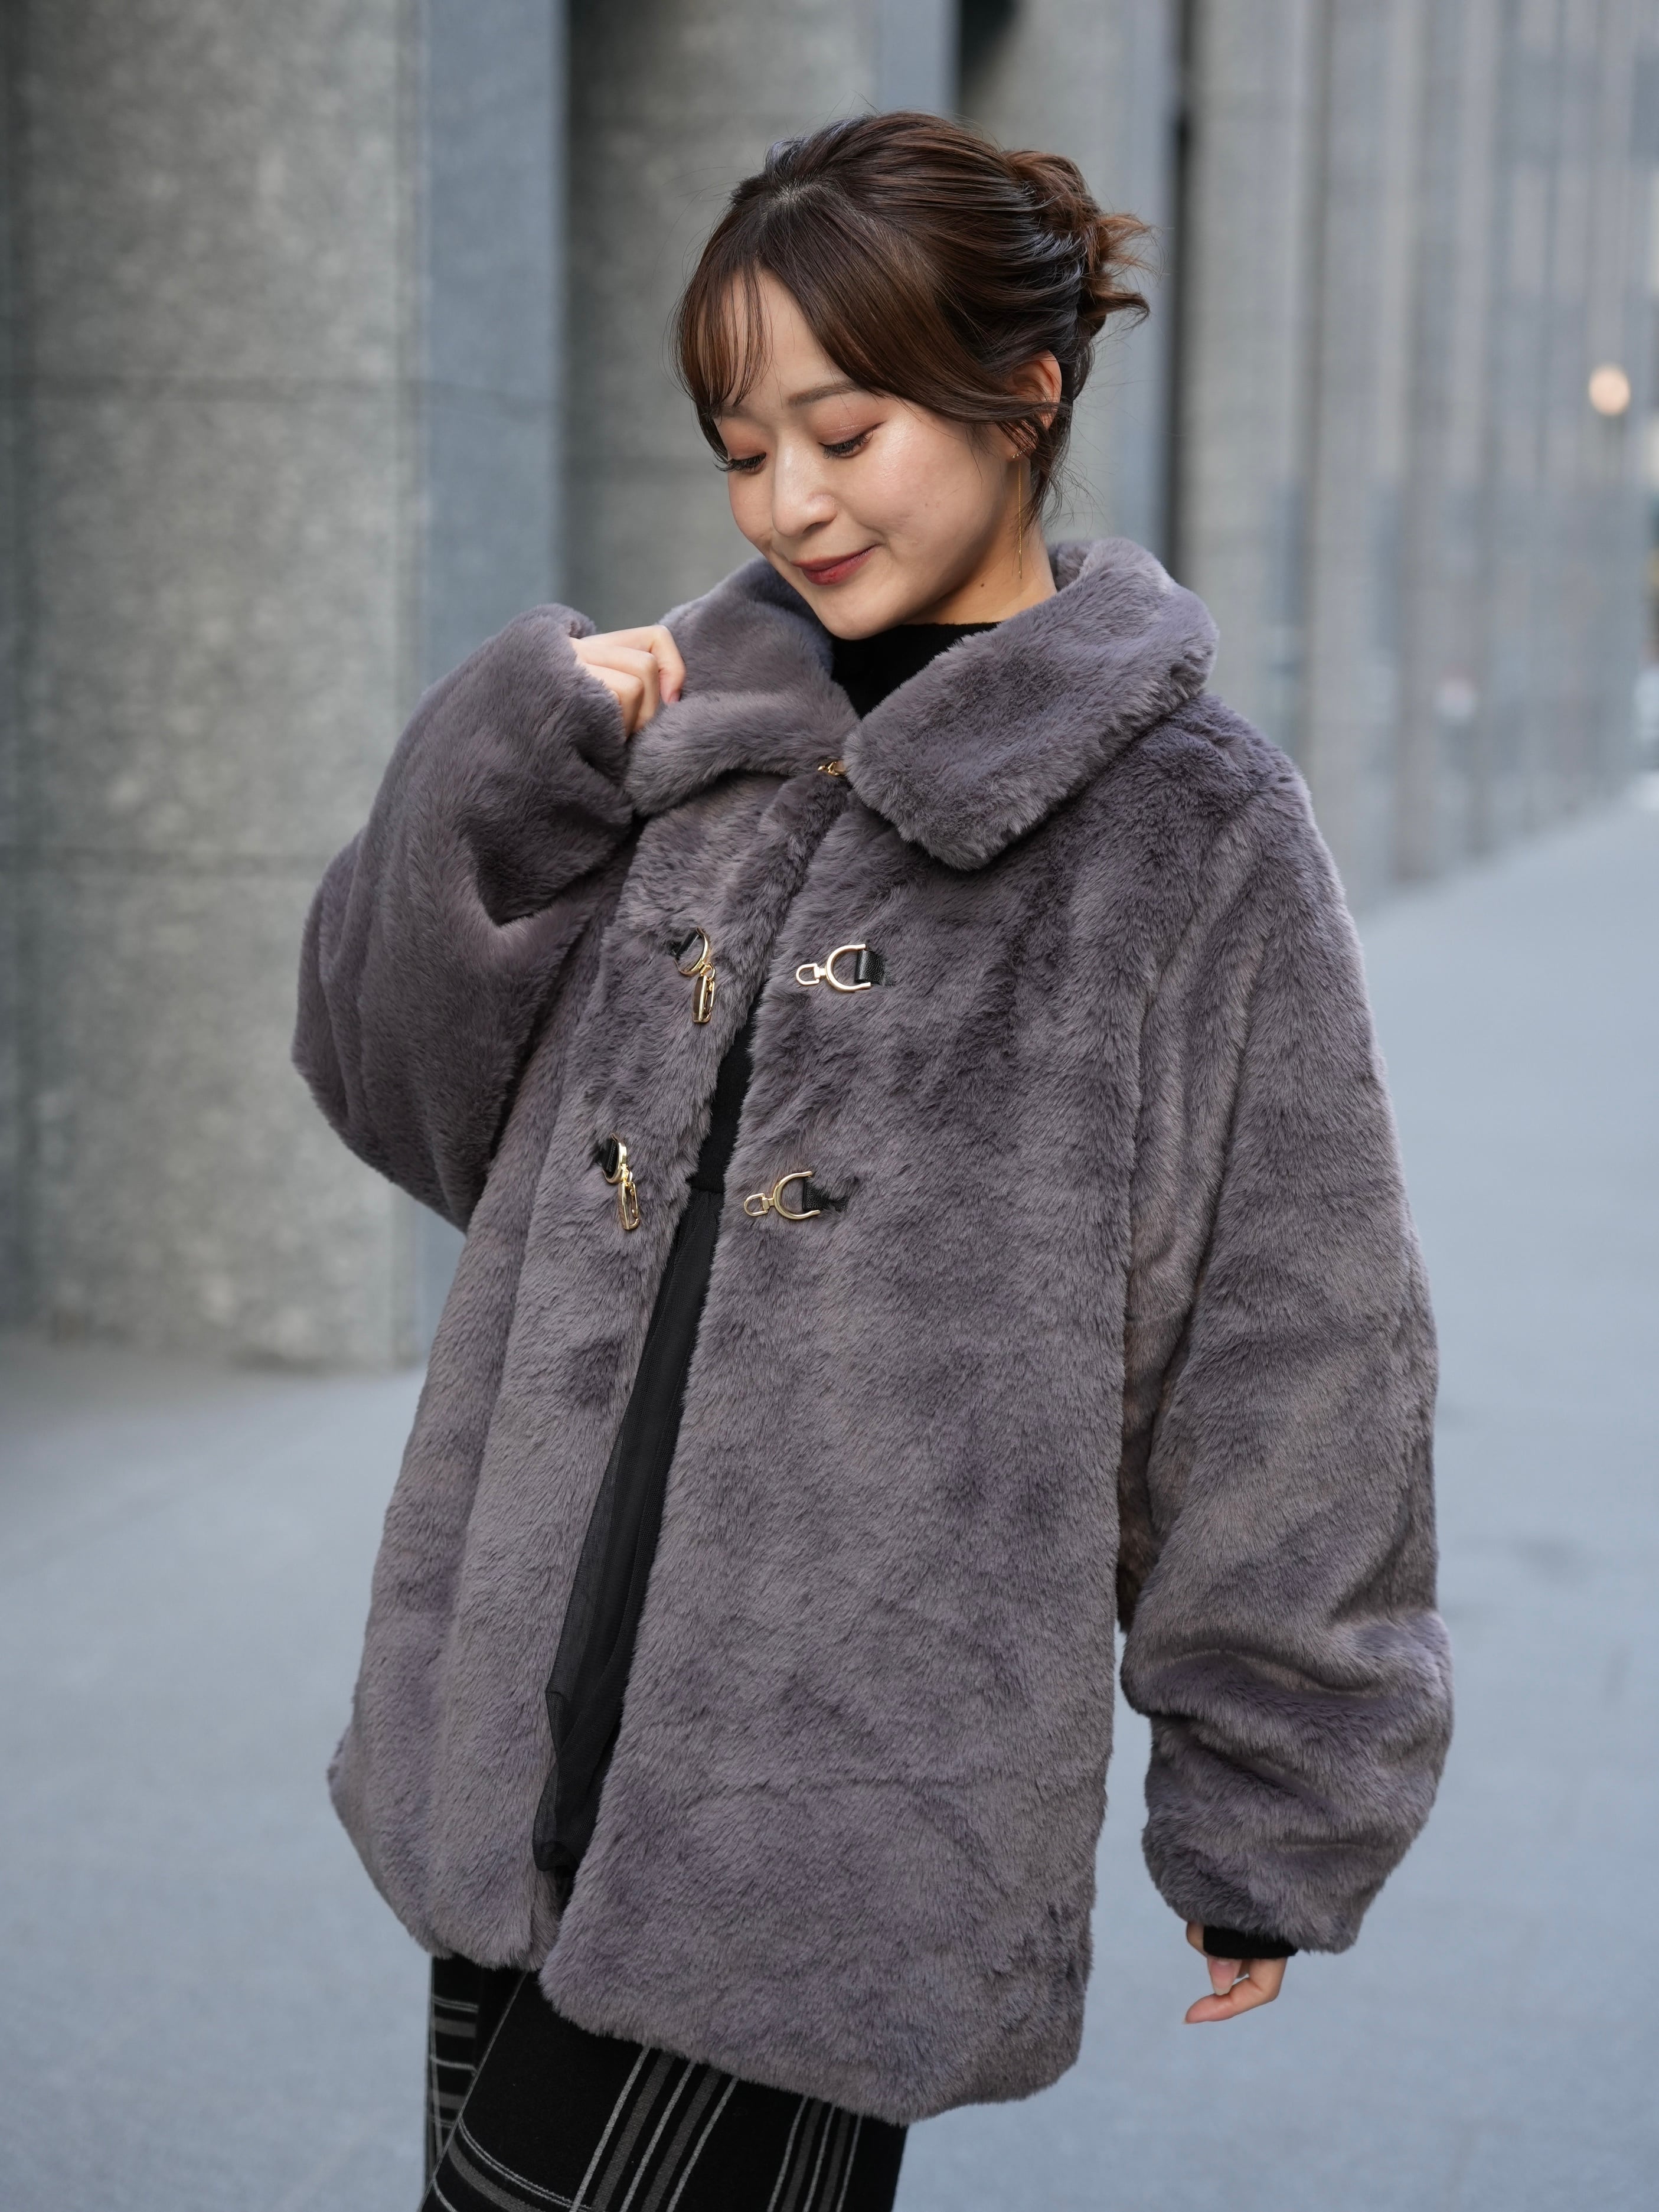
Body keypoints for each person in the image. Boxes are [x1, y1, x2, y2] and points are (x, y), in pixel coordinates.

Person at [294, 112, 1452, 2212]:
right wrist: (500, 759)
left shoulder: (1184, 827)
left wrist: (1274, 1786)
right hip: (520, 1724)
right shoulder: (677, 740)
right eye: (744, 448)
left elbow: (1295, 1336)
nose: (788, 502)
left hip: (830, 1792)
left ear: (1021, 394)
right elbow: (399, 1094)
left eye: (843, 430)